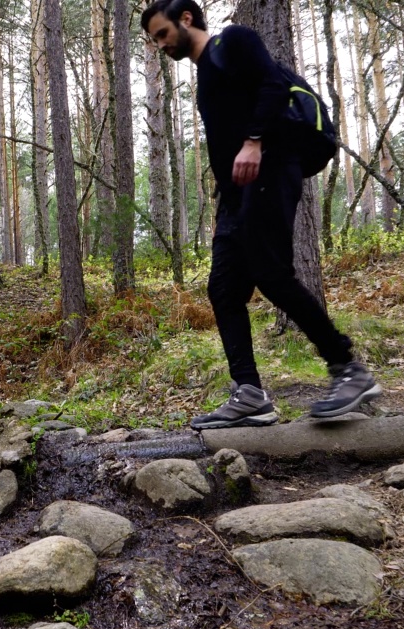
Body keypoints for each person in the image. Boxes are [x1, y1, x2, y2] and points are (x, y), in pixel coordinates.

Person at [140, 0, 381, 429]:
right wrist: (226, 203)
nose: (160, 45)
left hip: (272, 167)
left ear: (186, 19)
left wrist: (254, 141)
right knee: (224, 289)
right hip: (238, 195)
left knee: (271, 273)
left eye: (162, 34)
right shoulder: (205, 74)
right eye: (155, 39)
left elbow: (272, 85)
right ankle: (249, 394)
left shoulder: (232, 40)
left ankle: (349, 370)